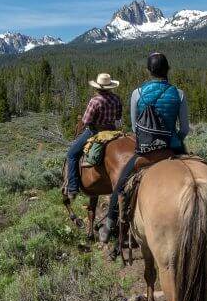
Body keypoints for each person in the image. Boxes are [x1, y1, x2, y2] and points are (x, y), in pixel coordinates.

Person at [99, 52, 189, 244]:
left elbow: (134, 128)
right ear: (168, 69)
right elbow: (185, 129)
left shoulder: (137, 94)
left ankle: (110, 223)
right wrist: (175, 140)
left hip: (146, 151)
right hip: (172, 148)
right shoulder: (179, 94)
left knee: (121, 184)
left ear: (149, 71)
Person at [66, 73, 123, 200]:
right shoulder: (116, 99)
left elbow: (86, 121)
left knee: (71, 154)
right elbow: (118, 117)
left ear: (97, 87)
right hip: (112, 131)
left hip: (95, 132)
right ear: (110, 86)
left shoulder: (95, 100)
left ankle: (72, 188)